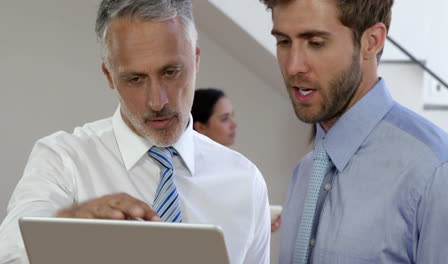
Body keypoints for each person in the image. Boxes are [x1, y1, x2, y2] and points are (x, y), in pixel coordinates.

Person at [0, 1, 270, 263]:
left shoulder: (246, 182)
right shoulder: (62, 161)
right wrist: (66, 228)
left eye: (171, 72)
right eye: (135, 79)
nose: (157, 102)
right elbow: (11, 255)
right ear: (108, 75)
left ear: (196, 59)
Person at [259, 0, 448, 263]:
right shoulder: (305, 171)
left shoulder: (440, 173)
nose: (293, 66)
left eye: (315, 43)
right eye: (283, 42)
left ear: (372, 41)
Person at [191, 88, 283, 232]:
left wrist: (258, 229)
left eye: (232, 116)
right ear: (201, 127)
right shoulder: (187, 172)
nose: (234, 125)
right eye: (224, 119)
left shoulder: (235, 169)